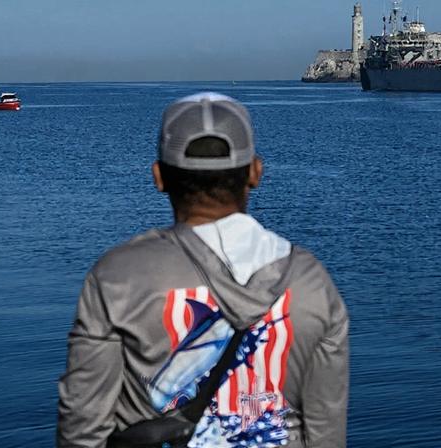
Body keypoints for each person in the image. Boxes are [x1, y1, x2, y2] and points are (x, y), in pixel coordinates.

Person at [57, 93, 349, 448]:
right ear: (256, 172)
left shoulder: (118, 277)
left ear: (159, 176)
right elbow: (326, 433)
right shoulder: (311, 283)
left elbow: (82, 431)